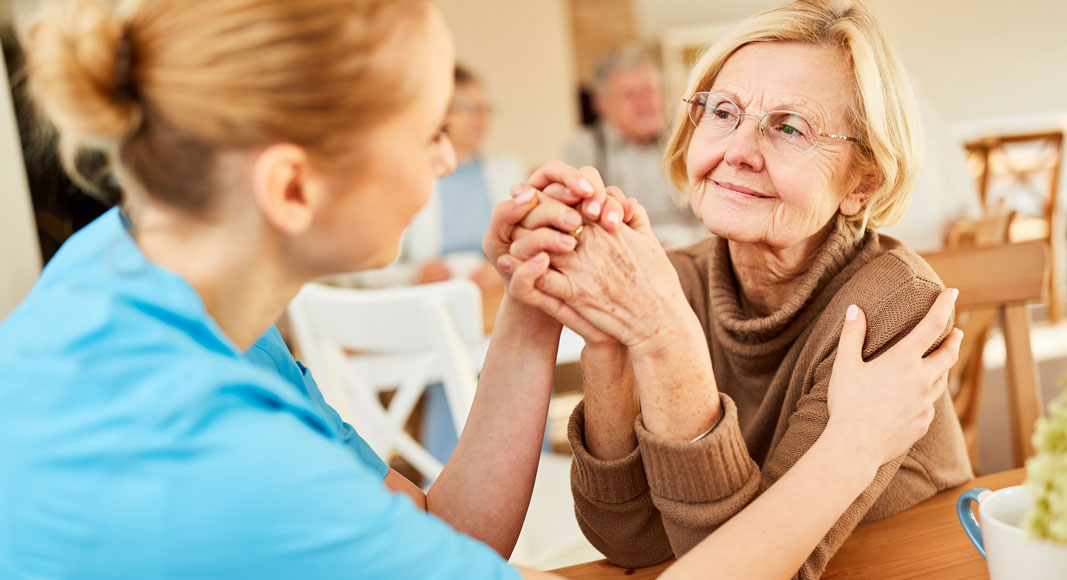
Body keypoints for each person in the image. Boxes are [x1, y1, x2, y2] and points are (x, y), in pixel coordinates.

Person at [0, 1, 959, 579]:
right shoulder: (230, 465)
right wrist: (853, 445)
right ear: (291, 188)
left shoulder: (132, 276)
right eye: (425, 130)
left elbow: (442, 535)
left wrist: (527, 307)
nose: (452, 157)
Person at [495, 0, 973, 578]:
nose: (738, 152)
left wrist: (667, 339)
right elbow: (629, 543)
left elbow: (754, 565)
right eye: (723, 112)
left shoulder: (892, 306)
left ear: (862, 186)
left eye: (791, 127)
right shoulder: (685, 277)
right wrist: (608, 344)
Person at [563, 45, 704, 248]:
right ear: (602, 103)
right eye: (630, 95)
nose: (645, 102)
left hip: (695, 250)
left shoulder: (687, 135)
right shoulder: (586, 148)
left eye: (650, 90)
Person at [405, 64, 524, 293]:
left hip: (493, 301)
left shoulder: (508, 173)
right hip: (433, 299)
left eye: (484, 108)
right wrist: (415, 275)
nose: (480, 118)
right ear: (440, 113)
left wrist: (506, 268)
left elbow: (532, 249)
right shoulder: (413, 181)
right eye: (468, 107)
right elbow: (375, 270)